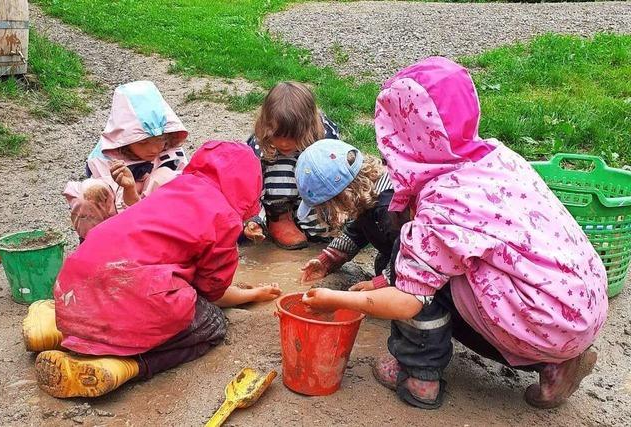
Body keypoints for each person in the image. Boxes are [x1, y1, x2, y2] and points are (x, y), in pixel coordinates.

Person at [301, 57, 608, 410]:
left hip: (541, 321)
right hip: (581, 304)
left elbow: (406, 300)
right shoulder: (497, 157)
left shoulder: (439, 207)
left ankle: (418, 376)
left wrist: (336, 300)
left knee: (418, 277)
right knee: (447, 268)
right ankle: (557, 364)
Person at [23, 141, 282, 398]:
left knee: (131, 293)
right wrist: (252, 295)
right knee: (212, 324)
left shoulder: (174, 187)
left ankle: (54, 329)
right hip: (129, 290)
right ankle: (126, 366)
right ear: (249, 189)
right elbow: (213, 293)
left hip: (73, 287)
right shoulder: (224, 218)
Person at [63, 81, 189, 240]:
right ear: (126, 140)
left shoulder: (172, 155)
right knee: (88, 193)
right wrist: (128, 189)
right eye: (143, 142)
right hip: (115, 232)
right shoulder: (105, 159)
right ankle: (92, 246)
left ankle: (174, 249)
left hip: (159, 232)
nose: (154, 149)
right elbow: (111, 208)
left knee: (167, 178)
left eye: (160, 139)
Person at [244, 81, 340, 249]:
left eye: (293, 136)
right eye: (277, 135)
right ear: (267, 126)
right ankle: (279, 218)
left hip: (312, 196)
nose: (284, 143)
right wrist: (253, 218)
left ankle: (310, 219)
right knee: (276, 161)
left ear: (308, 127)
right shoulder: (259, 144)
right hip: (277, 197)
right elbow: (249, 186)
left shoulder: (325, 137)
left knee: (325, 229)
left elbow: (339, 173)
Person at [296, 139, 398, 290]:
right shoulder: (369, 192)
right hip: (403, 251)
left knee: (422, 305)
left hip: (428, 264)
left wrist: (380, 283)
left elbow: (411, 253)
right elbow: (356, 232)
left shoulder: (390, 207)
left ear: (342, 197)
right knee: (382, 263)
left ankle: (435, 310)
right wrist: (326, 261)